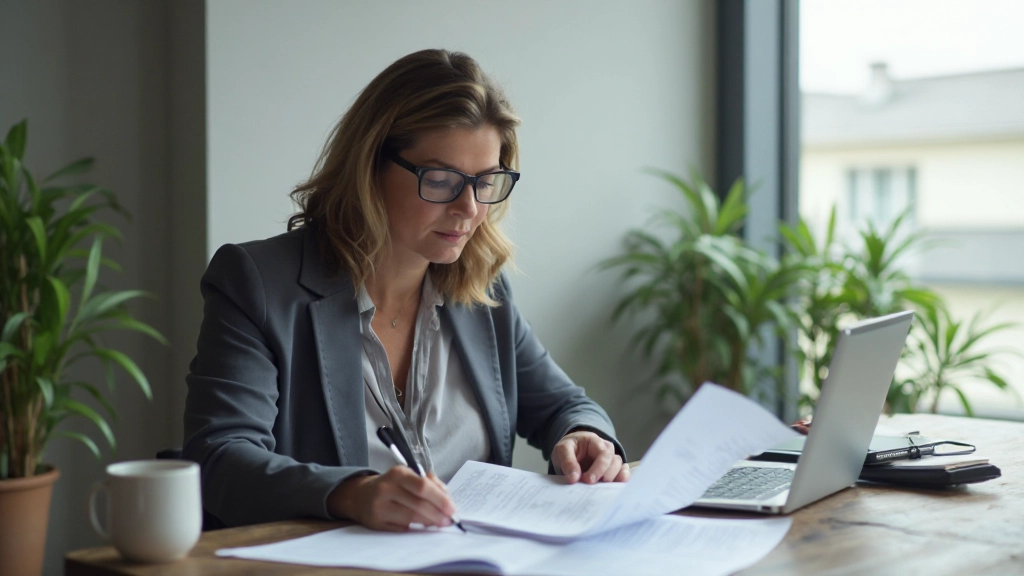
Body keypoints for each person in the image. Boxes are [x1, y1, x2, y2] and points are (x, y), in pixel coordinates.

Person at [183, 49, 628, 532]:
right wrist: (350, 493)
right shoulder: (258, 283)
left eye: (486, 182)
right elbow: (220, 458)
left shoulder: (480, 289)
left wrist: (585, 435)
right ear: (370, 167)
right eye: (441, 180)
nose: (469, 208)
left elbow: (565, 405)